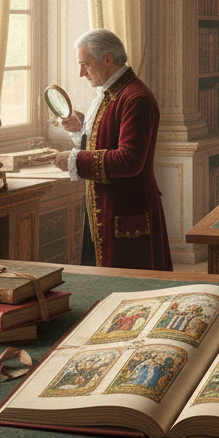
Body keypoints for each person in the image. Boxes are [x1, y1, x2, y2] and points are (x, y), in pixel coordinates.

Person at [54, 28, 173, 270]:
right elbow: (105, 142)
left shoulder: (136, 98)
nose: (81, 73)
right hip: (107, 209)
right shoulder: (112, 94)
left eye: (85, 64)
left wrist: (75, 160)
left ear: (108, 59)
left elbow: (129, 160)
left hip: (126, 210)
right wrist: (80, 130)